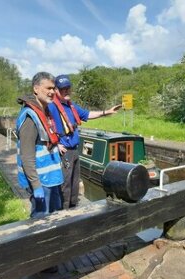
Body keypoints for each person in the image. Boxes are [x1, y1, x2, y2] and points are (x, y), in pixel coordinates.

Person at [48, 74, 121, 209]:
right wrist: (55, 144)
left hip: (75, 150)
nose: (66, 91)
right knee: (65, 184)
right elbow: (44, 125)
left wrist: (107, 112)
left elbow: (88, 114)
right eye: (63, 88)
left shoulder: (72, 106)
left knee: (75, 182)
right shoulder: (52, 107)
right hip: (64, 152)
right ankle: (63, 213)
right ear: (56, 90)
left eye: (68, 88)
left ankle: (73, 207)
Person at [16, 72, 63, 218]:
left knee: (55, 219)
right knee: (41, 223)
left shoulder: (45, 112)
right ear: (36, 89)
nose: (52, 92)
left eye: (53, 88)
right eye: (48, 88)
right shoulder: (30, 117)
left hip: (51, 179)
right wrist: (36, 186)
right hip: (41, 182)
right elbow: (26, 156)